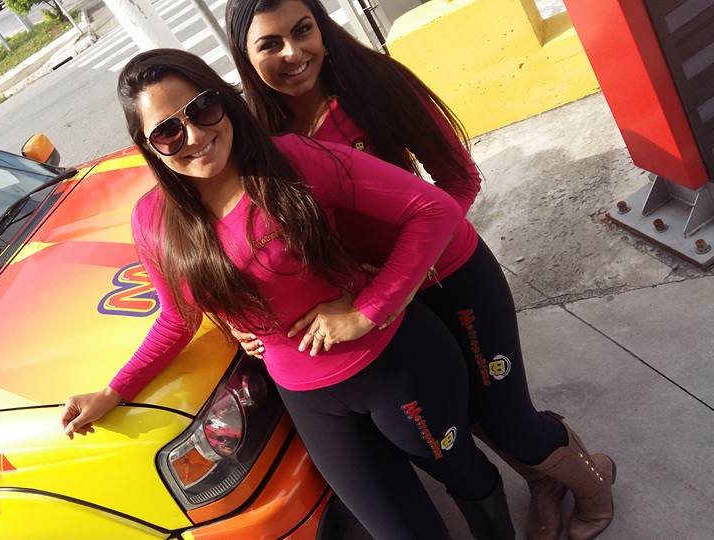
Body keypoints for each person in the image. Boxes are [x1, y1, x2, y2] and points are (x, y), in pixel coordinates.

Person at [61, 48, 517, 539]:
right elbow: (178, 319)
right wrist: (114, 391)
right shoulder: (153, 222)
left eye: (202, 108)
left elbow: (432, 209)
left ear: (223, 101)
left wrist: (370, 309)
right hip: (310, 400)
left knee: (465, 477)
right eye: (168, 131)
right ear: (148, 147)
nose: (194, 136)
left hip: (396, 365)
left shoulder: (292, 161)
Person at [224, 0, 616, 538]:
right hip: (378, 309)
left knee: (507, 417)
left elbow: (460, 181)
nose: (294, 53)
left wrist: (397, 280)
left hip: (449, 280)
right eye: (270, 44)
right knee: (465, 416)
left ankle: (594, 486)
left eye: (303, 30)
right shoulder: (250, 137)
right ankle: (546, 483)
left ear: (322, 27)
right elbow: (228, 230)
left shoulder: (377, 86)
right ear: (244, 56)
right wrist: (245, 320)